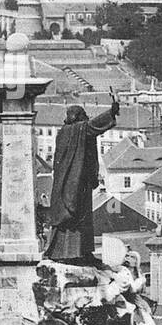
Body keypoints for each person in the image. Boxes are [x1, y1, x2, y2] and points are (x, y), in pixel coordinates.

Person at [43, 93, 120, 264]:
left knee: (80, 218)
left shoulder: (64, 132)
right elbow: (93, 126)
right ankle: (71, 254)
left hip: (75, 181)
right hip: (74, 183)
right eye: (83, 115)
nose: (86, 118)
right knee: (76, 217)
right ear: (78, 117)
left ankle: (81, 252)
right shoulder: (76, 130)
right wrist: (111, 112)